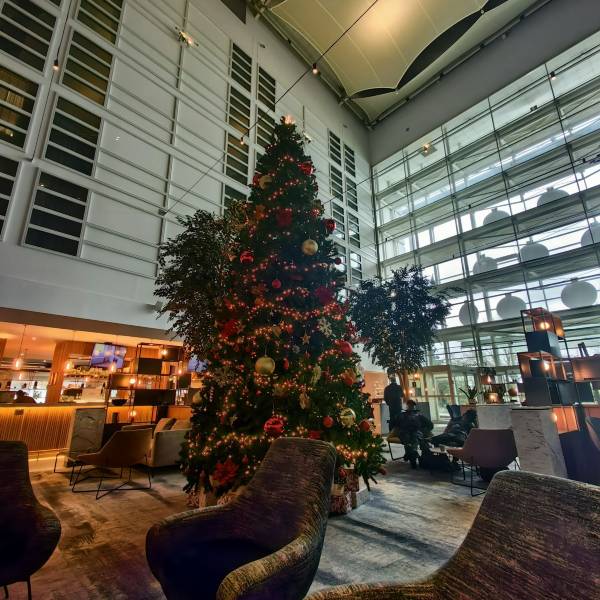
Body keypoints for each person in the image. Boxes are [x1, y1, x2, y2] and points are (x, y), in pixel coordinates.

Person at [393, 399, 433, 468]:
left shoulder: (419, 415)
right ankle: (413, 454)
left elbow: (430, 425)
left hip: (415, 432)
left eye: (412, 405)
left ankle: (410, 454)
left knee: (413, 440)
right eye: (410, 405)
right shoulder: (402, 415)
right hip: (405, 432)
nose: (411, 407)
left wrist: (425, 431)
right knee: (410, 440)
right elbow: (396, 425)